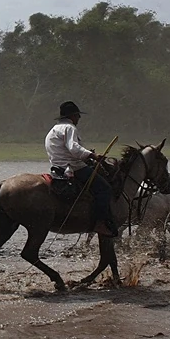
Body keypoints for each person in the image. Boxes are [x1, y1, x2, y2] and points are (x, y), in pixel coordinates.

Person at [44, 101, 116, 237]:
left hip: (58, 167)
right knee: (104, 189)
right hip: (74, 167)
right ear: (73, 115)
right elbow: (74, 148)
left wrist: (86, 154)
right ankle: (100, 223)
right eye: (78, 115)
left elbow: (68, 150)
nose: (79, 118)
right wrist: (93, 155)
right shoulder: (69, 128)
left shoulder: (54, 130)